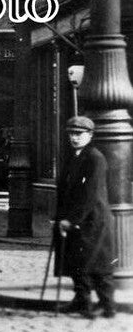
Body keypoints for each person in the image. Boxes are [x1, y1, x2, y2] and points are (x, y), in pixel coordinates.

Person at [53, 116, 117, 319]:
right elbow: (65, 190)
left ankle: (108, 307)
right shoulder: (74, 157)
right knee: (77, 262)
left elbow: (90, 194)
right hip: (78, 219)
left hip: (93, 221)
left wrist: (71, 220)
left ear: (90, 135)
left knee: (97, 265)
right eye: (72, 133)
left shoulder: (95, 158)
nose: (74, 138)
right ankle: (82, 300)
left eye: (79, 134)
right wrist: (59, 216)